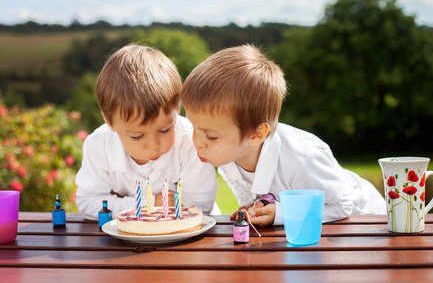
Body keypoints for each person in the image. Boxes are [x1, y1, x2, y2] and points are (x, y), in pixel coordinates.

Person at [181, 44, 385, 227]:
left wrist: (281, 212)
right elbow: (245, 189)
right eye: (194, 127)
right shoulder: (228, 153)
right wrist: (253, 208)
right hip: (314, 232)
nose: (198, 142)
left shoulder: (302, 159)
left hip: (367, 223)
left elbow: (341, 205)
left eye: (210, 136)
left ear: (256, 134)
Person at [75, 44, 218, 219]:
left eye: (165, 130)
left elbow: (201, 206)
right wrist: (153, 203)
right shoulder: (99, 144)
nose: (153, 145)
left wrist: (119, 202)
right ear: (109, 122)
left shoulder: (191, 141)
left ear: (178, 109)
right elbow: (87, 202)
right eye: (137, 136)